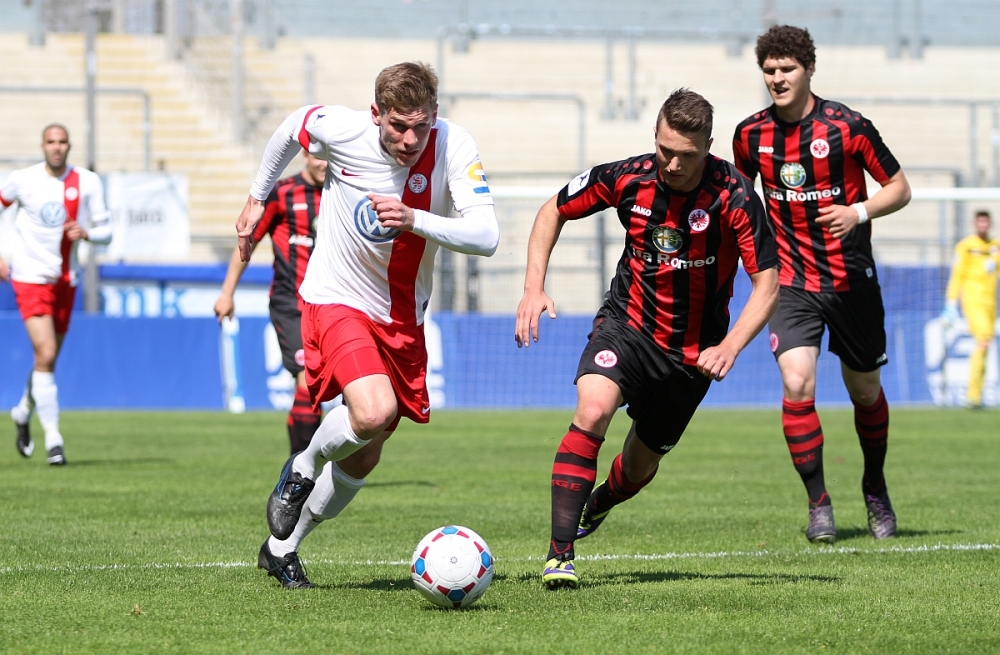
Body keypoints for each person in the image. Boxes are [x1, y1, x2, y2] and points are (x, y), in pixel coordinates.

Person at [236, 62, 499, 588]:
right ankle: (302, 465)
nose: (410, 140)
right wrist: (257, 197)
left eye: (420, 126)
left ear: (434, 114)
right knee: (374, 411)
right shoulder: (343, 130)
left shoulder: (454, 144)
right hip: (337, 298)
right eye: (398, 126)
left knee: (365, 453)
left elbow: (486, 236)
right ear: (376, 114)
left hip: (402, 316)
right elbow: (291, 127)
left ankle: (281, 547)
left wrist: (414, 218)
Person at [516, 88, 779, 589]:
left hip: (694, 353)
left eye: (687, 155)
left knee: (638, 466)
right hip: (628, 327)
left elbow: (768, 283)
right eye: (665, 150)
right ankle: (559, 555)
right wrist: (533, 287)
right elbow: (553, 210)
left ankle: (602, 501)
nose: (673, 164)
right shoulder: (627, 177)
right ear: (654, 136)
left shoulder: (736, 195)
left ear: (709, 147)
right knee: (593, 409)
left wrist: (730, 346)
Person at [732, 25, 912, 543]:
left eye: (787, 69)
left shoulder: (848, 127)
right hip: (790, 282)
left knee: (865, 391)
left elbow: (899, 188)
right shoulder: (750, 135)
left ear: (809, 69)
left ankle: (874, 485)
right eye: (769, 70)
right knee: (797, 383)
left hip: (851, 280)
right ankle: (819, 504)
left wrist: (858, 211)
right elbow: (741, 201)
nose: (777, 78)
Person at [0, 124, 111, 466]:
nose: (57, 147)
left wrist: (88, 233)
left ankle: (22, 411)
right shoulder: (23, 180)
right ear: (42, 146)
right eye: (51, 141)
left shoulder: (88, 182)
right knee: (46, 351)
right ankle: (54, 441)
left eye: (62, 141)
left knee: (46, 359)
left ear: (69, 146)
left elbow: (107, 232)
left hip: (66, 281)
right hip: (30, 278)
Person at [214, 150, 327, 453]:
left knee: (329, 389)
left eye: (329, 156)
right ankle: (301, 466)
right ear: (305, 156)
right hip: (291, 304)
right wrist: (227, 292)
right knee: (308, 379)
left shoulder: (343, 192)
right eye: (318, 156)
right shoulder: (283, 193)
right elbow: (247, 243)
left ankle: (309, 464)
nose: (324, 163)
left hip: (333, 306)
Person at [942, 210, 1000, 408]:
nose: (983, 226)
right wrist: (951, 303)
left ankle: (977, 395)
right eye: (980, 222)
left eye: (986, 222)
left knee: (985, 344)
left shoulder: (995, 246)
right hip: (972, 301)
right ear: (974, 224)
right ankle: (972, 394)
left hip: (990, 303)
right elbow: (957, 275)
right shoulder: (965, 246)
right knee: (983, 339)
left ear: (990, 224)